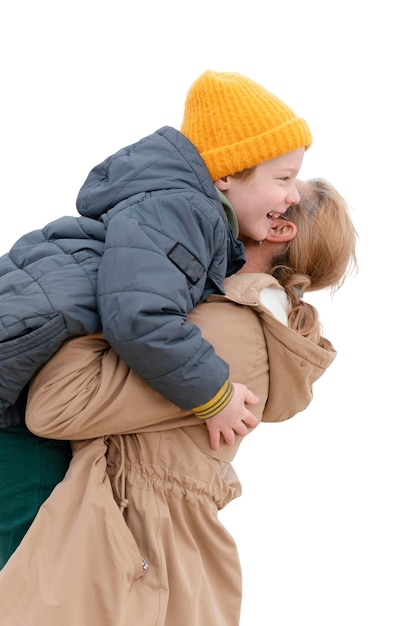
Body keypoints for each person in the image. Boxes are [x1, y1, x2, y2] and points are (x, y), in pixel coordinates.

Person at [0, 178, 358, 625]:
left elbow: (58, 404)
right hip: (122, 552)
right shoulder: (217, 311)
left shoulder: (233, 332)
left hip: (123, 565)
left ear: (278, 228)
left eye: (284, 185)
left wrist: (114, 297)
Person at [0, 70, 313, 568]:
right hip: (13, 396)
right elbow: (141, 317)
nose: (294, 194)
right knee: (22, 555)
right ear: (227, 174)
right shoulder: (184, 212)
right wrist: (215, 396)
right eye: (284, 178)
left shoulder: (179, 211)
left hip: (19, 368)